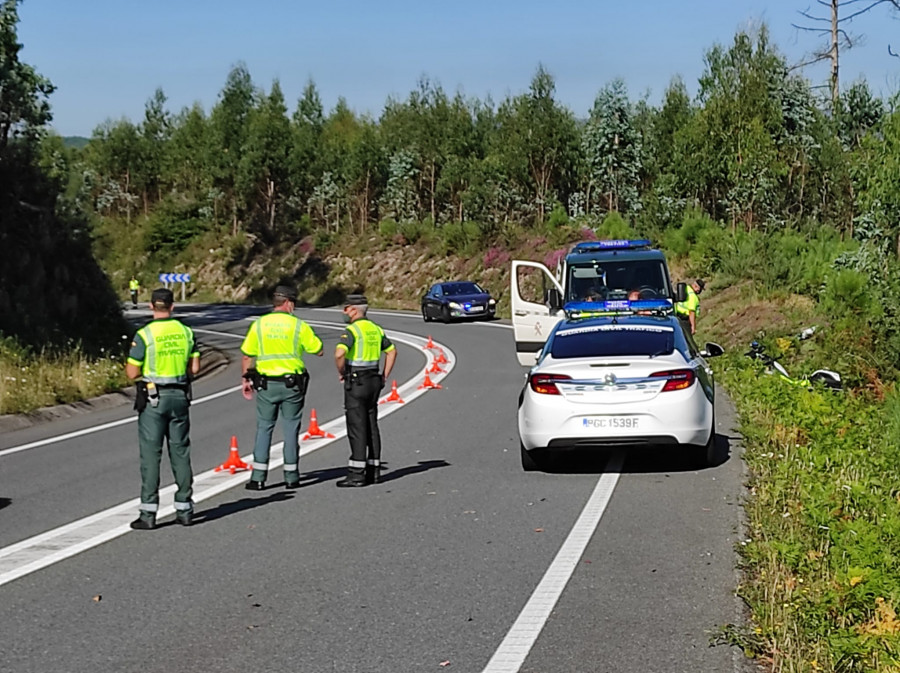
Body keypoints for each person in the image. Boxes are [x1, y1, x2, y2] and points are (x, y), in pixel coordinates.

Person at [125, 288, 200, 530]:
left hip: (153, 398)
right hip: (179, 396)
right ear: (172, 306)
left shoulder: (144, 335)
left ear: (151, 306)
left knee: (151, 455)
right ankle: (185, 508)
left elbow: (132, 372)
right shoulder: (186, 332)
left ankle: (148, 514)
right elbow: (195, 368)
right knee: (180, 452)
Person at [241, 285, 323, 490]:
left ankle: (258, 477)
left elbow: (247, 355)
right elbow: (318, 349)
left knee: (264, 428)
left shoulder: (259, 325)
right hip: (292, 385)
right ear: (288, 303)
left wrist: (246, 380)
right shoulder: (298, 325)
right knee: (291, 428)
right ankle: (291, 476)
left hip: (266, 385)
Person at [334, 294, 397, 487]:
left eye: (346, 308)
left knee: (357, 427)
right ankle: (374, 471)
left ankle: (357, 474)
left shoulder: (352, 330)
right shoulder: (375, 329)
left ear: (353, 309)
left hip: (356, 381)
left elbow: (339, 353)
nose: (344, 312)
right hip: (374, 379)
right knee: (372, 425)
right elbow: (392, 351)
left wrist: (342, 371)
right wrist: (384, 375)